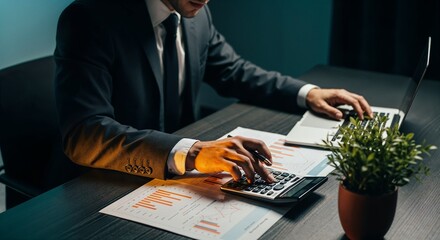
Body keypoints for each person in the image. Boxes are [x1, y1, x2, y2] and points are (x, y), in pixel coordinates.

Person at [54, 0, 372, 184]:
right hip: (108, 183)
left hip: (181, 182)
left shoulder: (197, 13)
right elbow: (84, 133)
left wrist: (305, 93)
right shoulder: (89, 19)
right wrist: (192, 152)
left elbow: (233, 71)